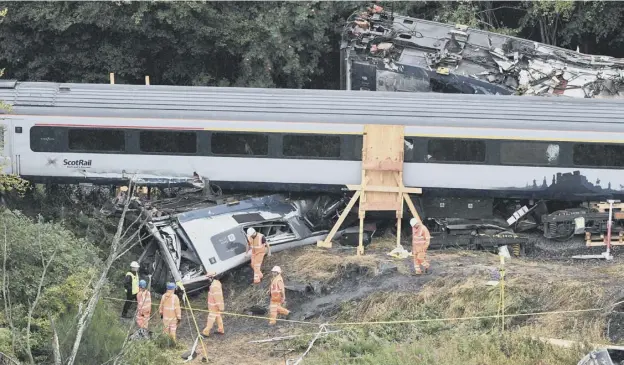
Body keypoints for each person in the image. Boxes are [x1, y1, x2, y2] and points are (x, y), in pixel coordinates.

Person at [201, 271, 225, 337]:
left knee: (211, 318)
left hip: (214, 306)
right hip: (214, 306)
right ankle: (221, 330)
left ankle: (206, 332)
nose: (207, 279)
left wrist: (220, 307)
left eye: (208, 278)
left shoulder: (214, 286)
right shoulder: (216, 283)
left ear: (212, 277)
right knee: (218, 316)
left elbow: (218, 297)